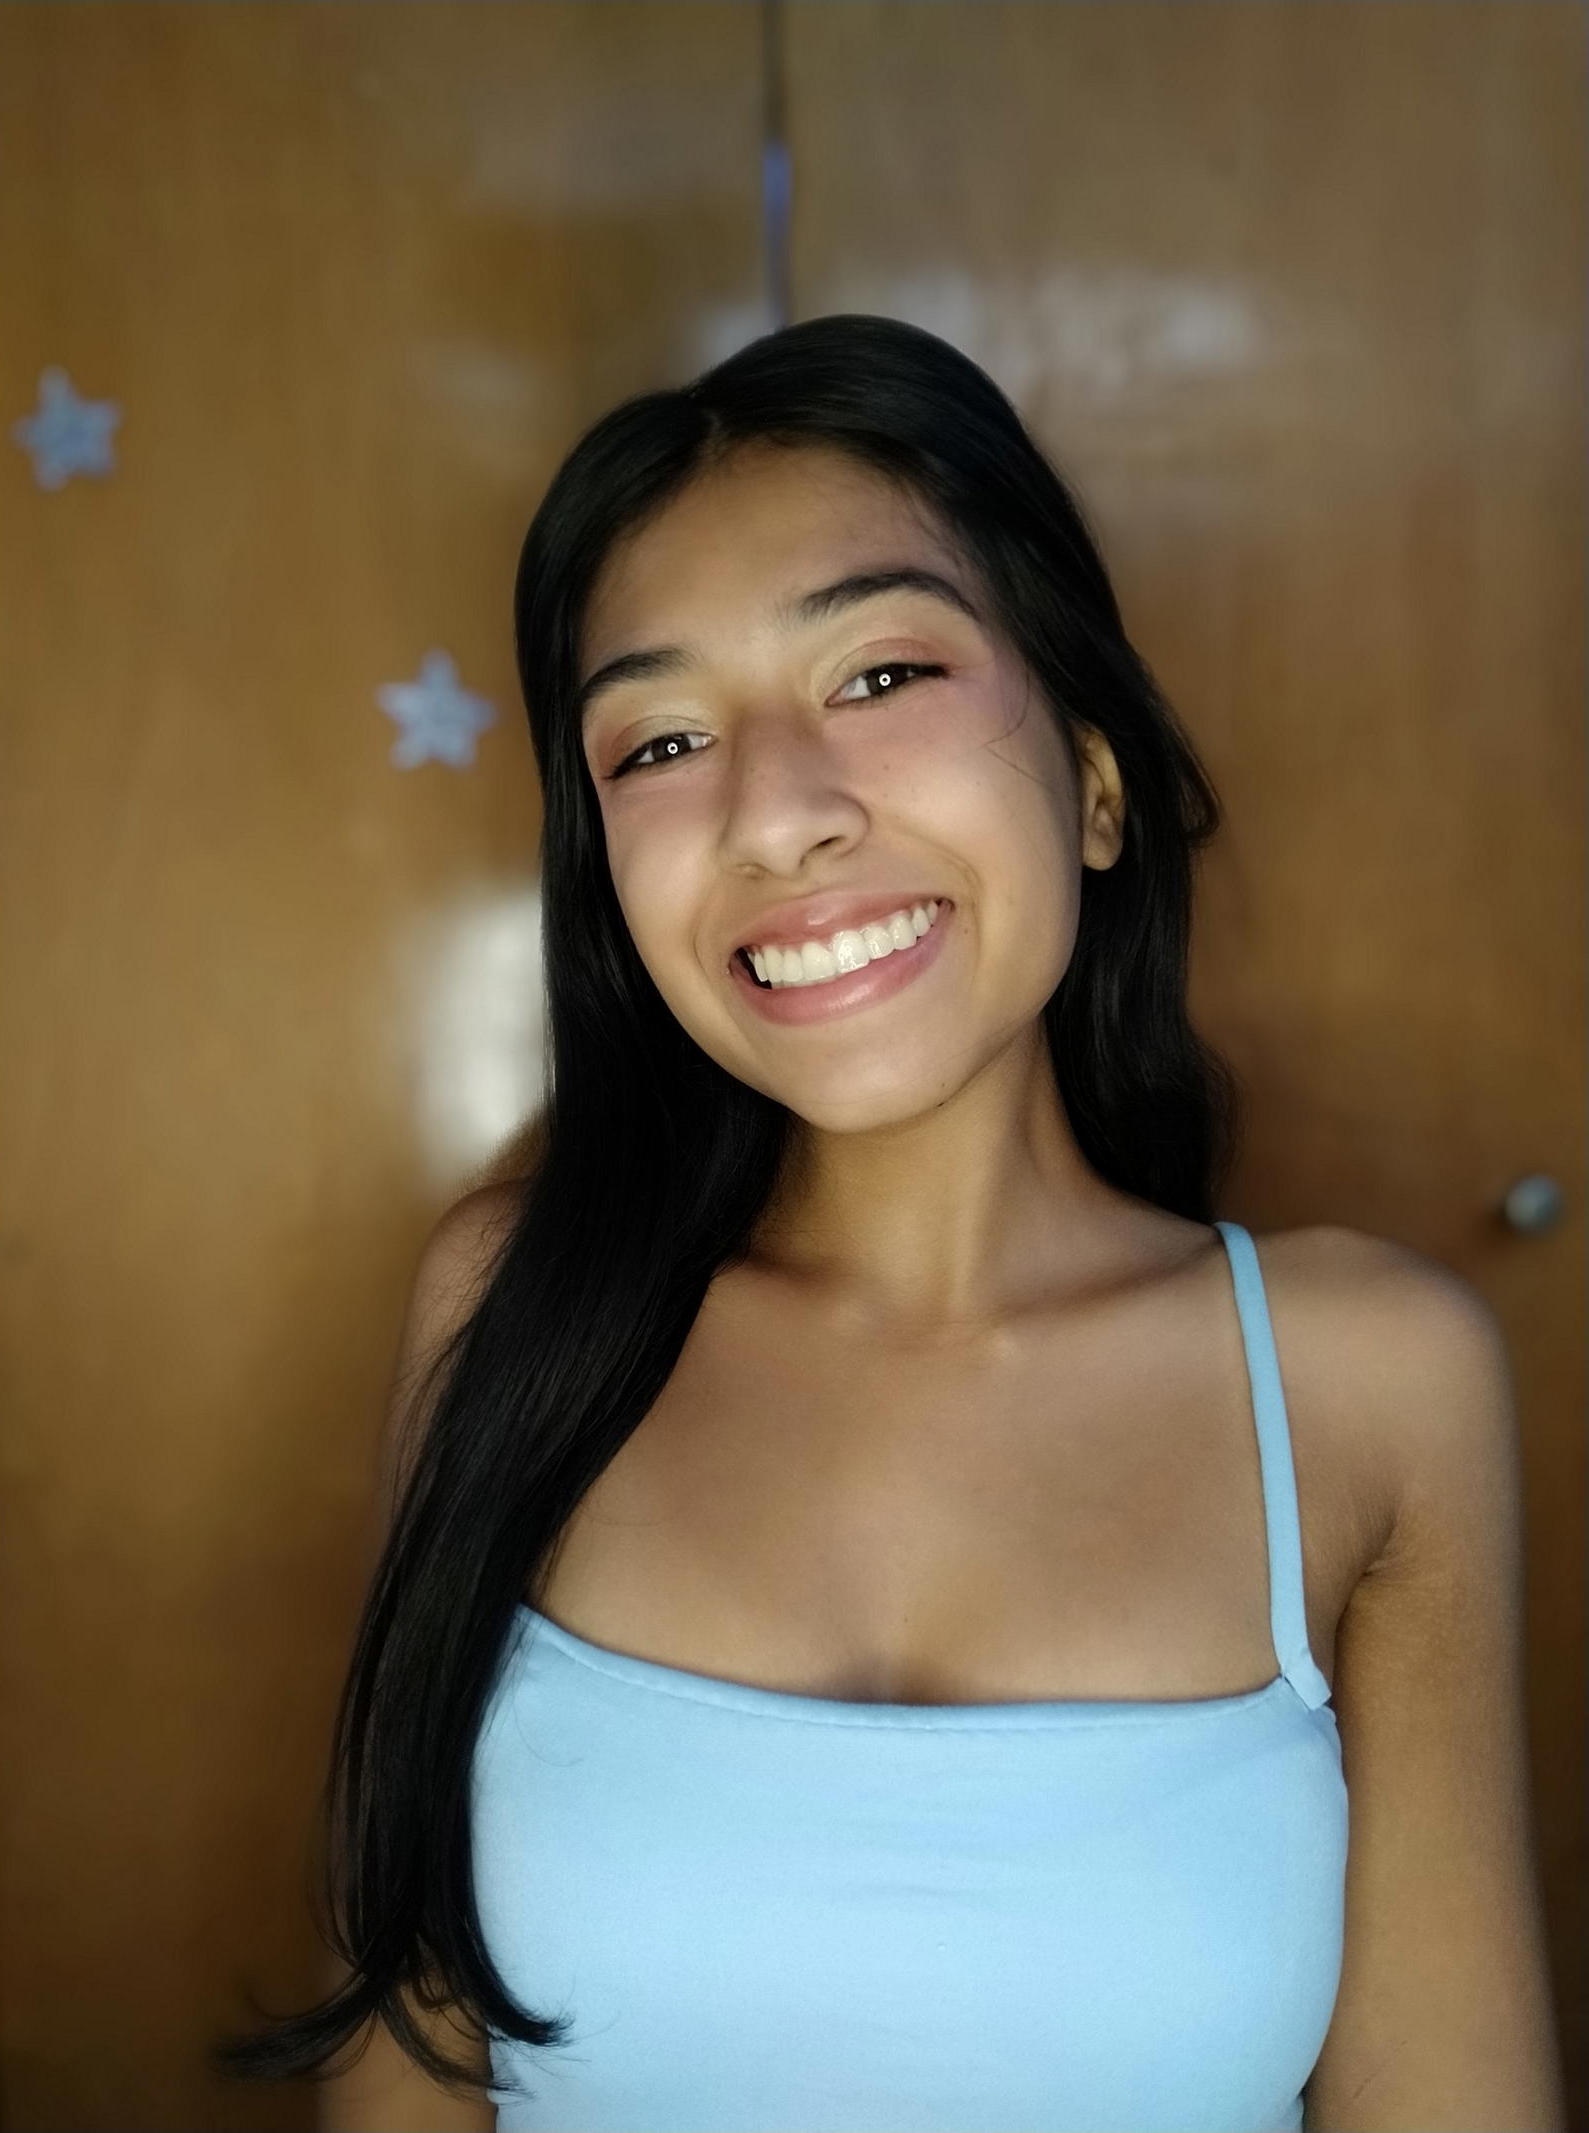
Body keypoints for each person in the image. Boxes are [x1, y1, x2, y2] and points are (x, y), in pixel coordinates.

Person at [214, 315, 1564, 2132]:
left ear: (1096, 780)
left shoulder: (1373, 1387)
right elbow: (402, 2067)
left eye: (879, 673)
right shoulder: (511, 1310)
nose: (777, 816)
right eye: (663, 738)